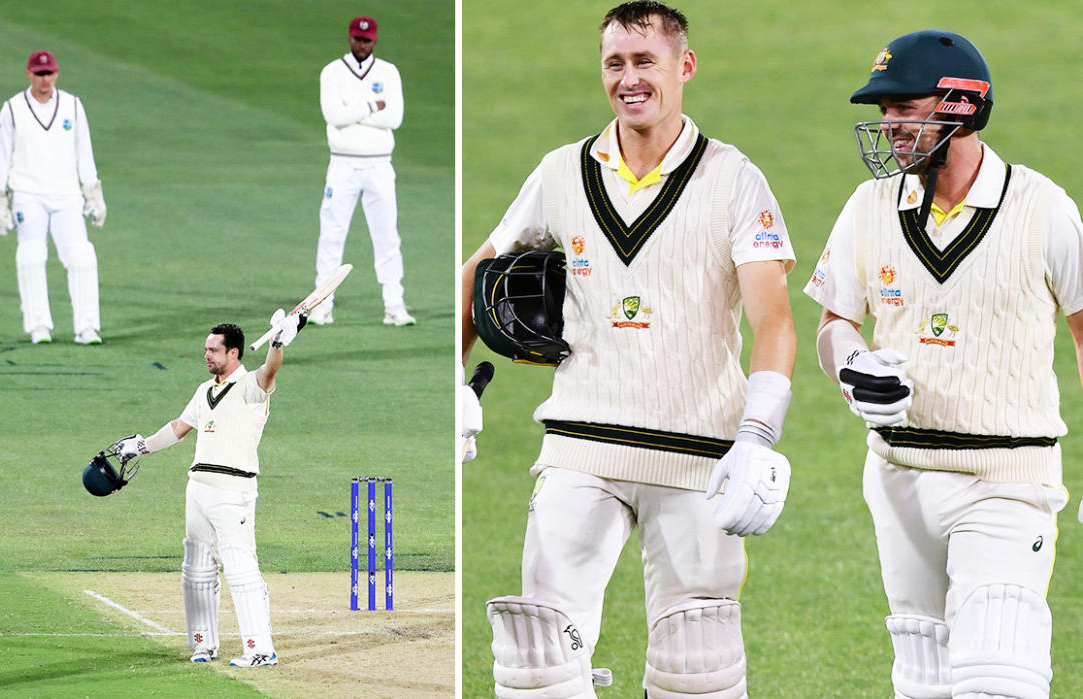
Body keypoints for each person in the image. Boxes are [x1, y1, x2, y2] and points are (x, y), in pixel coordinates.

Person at [459, 3, 797, 696]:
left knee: (698, 667)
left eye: (645, 60)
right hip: (581, 446)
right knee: (537, 655)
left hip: (700, 456)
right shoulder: (560, 171)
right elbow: (478, 271)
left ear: (684, 66)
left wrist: (758, 435)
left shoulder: (735, 179)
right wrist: (452, 386)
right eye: (615, 62)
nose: (629, 77)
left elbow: (775, 321)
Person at [804, 30, 1083, 698]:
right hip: (897, 478)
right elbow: (834, 324)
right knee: (923, 680)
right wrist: (855, 370)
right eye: (884, 112)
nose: (889, 126)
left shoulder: (1043, 209)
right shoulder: (869, 206)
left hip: (1005, 477)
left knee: (996, 678)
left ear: (961, 105)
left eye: (904, 108)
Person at [111, 311, 305, 667]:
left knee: (241, 569)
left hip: (233, 490)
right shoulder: (204, 391)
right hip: (198, 488)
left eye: (214, 350)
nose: (207, 355)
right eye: (206, 349)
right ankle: (204, 644)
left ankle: (261, 650)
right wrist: (142, 446)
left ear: (234, 354)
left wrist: (278, 342)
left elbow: (269, 371)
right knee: (197, 570)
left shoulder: (250, 388)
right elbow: (180, 428)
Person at [0, 49, 108, 345]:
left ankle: (87, 327)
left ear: (56, 73)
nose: (45, 79)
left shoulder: (73, 105)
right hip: (28, 194)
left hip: (67, 194)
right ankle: (39, 326)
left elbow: (84, 151)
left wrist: (93, 192)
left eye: (49, 73)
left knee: (81, 255)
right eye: (39, 73)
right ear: (29, 74)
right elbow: (2, 155)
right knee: (31, 254)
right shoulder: (13, 108)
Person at [311, 15, 414, 327]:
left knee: (386, 235)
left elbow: (394, 118)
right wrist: (371, 106)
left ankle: (394, 304)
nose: (361, 44)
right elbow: (333, 115)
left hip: (380, 164)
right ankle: (321, 304)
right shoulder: (332, 72)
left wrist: (352, 111)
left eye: (367, 40)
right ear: (350, 38)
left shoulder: (388, 72)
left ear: (375, 41)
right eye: (357, 39)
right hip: (342, 164)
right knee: (332, 233)